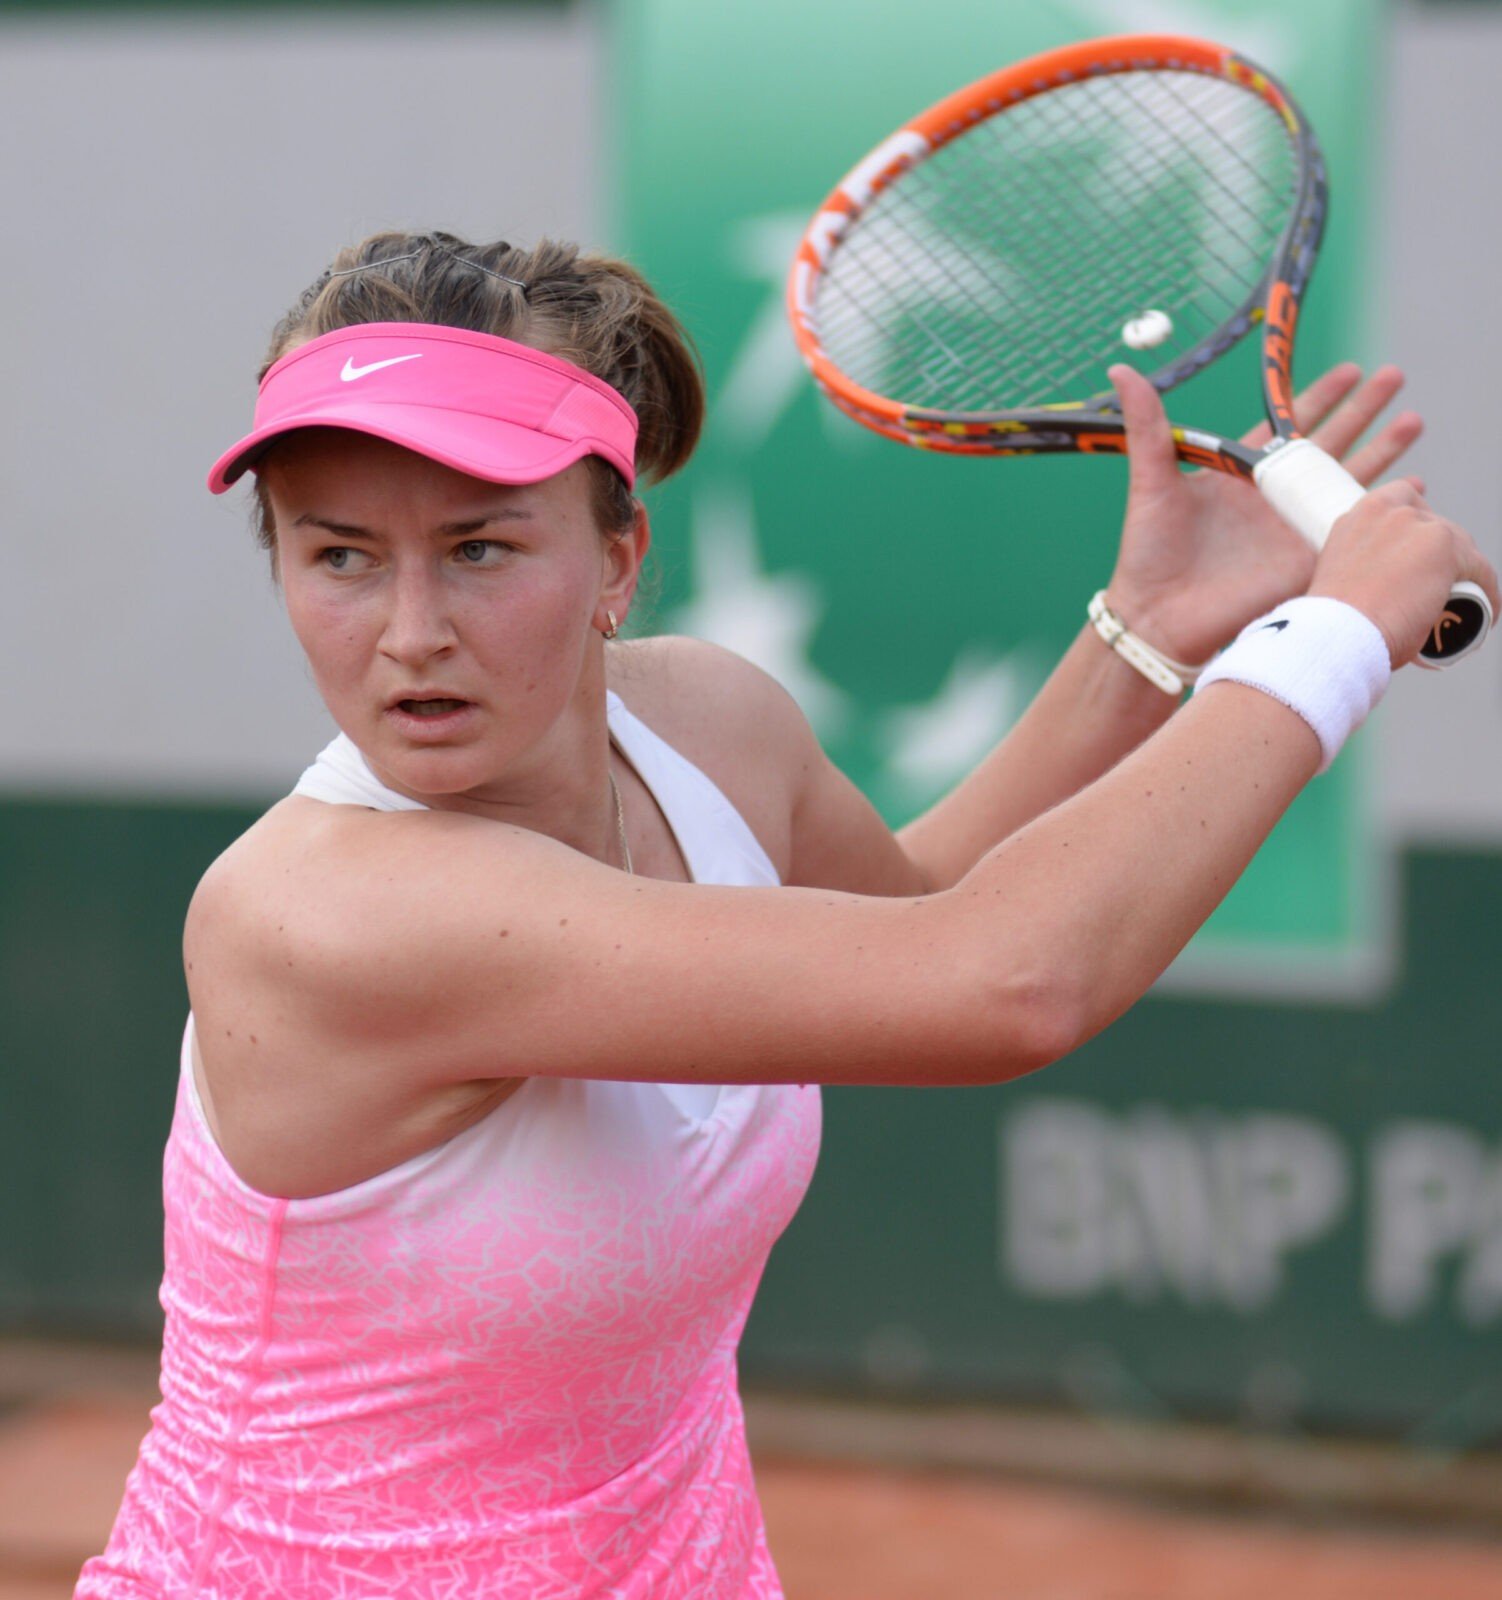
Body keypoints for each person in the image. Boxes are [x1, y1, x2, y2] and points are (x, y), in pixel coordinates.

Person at [76, 231, 1495, 1600]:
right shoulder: (322, 918)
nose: (409, 631)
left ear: (617, 561)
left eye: (481, 549)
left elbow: (920, 911)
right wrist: (1328, 642)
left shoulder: (706, 725)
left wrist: (1152, 627)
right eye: (339, 557)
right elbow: (1005, 979)